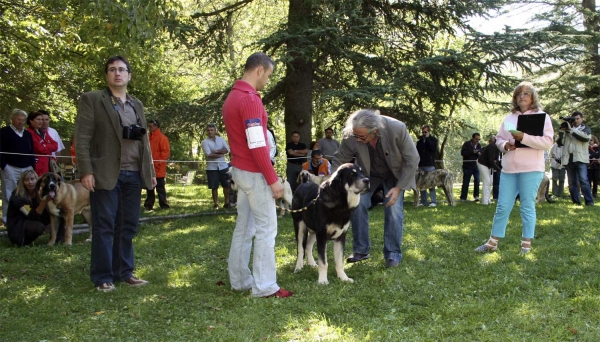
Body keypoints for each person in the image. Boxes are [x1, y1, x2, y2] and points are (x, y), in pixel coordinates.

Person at [75, 55, 156, 292]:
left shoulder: (136, 104)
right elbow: (82, 138)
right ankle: (102, 277)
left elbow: (145, 142)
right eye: (112, 69)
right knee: (104, 225)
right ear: (107, 75)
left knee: (128, 225)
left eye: (122, 69)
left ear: (129, 75)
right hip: (105, 173)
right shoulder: (93, 99)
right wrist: (86, 171)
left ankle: (124, 272)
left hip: (133, 174)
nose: (117, 73)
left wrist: (149, 172)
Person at [222, 52, 293, 298]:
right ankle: (264, 287)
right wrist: (272, 178)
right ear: (260, 70)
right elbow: (257, 144)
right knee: (266, 229)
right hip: (254, 173)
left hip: (240, 171)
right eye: (269, 75)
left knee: (245, 227)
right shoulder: (250, 99)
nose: (267, 81)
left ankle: (240, 280)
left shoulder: (232, 97)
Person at [332, 109, 419, 267]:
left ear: (375, 131)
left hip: (395, 174)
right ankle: (361, 250)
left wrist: (399, 188)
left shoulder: (397, 128)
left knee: (393, 209)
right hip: (367, 174)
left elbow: (412, 160)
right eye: (355, 135)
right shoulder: (353, 134)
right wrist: (330, 183)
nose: (357, 139)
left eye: (362, 136)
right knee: (357, 204)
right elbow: (340, 158)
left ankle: (393, 254)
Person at [475, 81, 553, 253]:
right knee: (502, 206)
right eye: (519, 94)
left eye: (526, 93)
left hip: (531, 168)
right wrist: (505, 146)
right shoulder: (510, 118)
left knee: (527, 206)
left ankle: (526, 245)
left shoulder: (542, 116)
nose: (522, 96)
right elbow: (500, 138)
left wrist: (523, 137)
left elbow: (547, 142)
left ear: (533, 97)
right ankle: (492, 243)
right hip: (509, 168)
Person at [0, 109, 36, 224]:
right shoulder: (4, 132)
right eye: (18, 120)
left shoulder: (27, 134)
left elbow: (31, 151)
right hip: (10, 167)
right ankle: (7, 219)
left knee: (27, 192)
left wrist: (32, 166)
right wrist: (4, 166)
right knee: (9, 193)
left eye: (23, 120)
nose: (21, 122)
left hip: (27, 168)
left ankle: (27, 216)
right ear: (12, 119)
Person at [6, 170, 51, 246]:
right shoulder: (17, 197)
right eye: (26, 180)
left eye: (32, 179)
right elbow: (31, 215)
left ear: (37, 180)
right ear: (22, 182)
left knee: (58, 213)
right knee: (38, 227)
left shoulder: (39, 192)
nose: (30, 182)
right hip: (18, 226)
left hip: (32, 219)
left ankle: (59, 239)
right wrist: (44, 201)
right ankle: (24, 242)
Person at [558, 111, 594, 206]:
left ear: (582, 119)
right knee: (571, 182)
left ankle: (589, 201)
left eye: (578, 119)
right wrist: (562, 131)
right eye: (574, 119)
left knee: (583, 180)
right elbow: (560, 143)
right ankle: (576, 201)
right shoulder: (568, 129)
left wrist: (571, 130)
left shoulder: (585, 128)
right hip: (569, 158)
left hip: (580, 158)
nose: (576, 121)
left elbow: (585, 138)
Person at [201, 123, 231, 209]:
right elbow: (209, 154)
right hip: (212, 168)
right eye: (208, 130)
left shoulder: (221, 139)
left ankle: (227, 202)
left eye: (212, 130)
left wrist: (216, 151)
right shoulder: (204, 142)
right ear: (206, 132)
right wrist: (220, 153)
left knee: (226, 185)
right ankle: (216, 204)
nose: (210, 132)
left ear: (215, 131)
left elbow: (227, 150)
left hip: (223, 166)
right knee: (214, 187)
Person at [144, 119, 171, 210]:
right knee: (150, 187)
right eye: (149, 126)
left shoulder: (162, 138)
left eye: (151, 126)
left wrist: (158, 163)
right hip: (150, 167)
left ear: (156, 126)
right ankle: (149, 204)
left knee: (160, 187)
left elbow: (165, 153)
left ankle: (163, 204)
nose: (149, 128)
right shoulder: (148, 137)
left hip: (158, 168)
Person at [26, 111, 58, 177]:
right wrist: (48, 146)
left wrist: (45, 146)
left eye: (41, 119)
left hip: (47, 164)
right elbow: (39, 149)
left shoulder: (43, 132)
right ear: (31, 121)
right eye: (38, 119)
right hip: (37, 165)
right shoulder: (29, 133)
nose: (41, 122)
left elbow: (56, 145)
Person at [415, 124, 438, 207]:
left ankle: (433, 201)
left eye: (425, 132)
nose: (424, 133)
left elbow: (433, 149)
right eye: (423, 132)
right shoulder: (419, 141)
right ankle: (423, 201)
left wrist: (428, 138)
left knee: (431, 183)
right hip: (421, 164)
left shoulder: (433, 140)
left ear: (429, 131)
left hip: (430, 164)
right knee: (422, 183)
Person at [477, 135, 502, 205]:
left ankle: (488, 199)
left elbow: (495, 159)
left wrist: (496, 165)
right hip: (482, 163)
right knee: (487, 181)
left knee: (490, 182)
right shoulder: (492, 146)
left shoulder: (498, 147)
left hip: (489, 165)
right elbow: (491, 160)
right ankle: (484, 202)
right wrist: (499, 169)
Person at [460, 133, 482, 202]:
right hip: (467, 166)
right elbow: (463, 153)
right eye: (476, 139)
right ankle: (463, 197)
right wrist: (472, 152)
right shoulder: (467, 144)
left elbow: (480, 154)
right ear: (472, 138)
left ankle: (476, 196)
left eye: (479, 139)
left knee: (477, 181)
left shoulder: (479, 145)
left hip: (476, 166)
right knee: (466, 182)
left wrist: (479, 153)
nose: (477, 141)